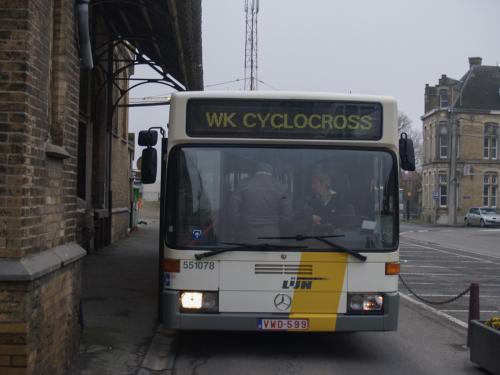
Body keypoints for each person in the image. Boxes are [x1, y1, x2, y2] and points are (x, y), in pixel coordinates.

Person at [230, 162, 292, 242]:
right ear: (271, 171)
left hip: (247, 233)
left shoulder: (243, 184)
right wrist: (276, 226)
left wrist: (239, 225)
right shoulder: (281, 187)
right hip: (271, 234)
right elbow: (287, 216)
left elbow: (233, 211)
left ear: (256, 170)